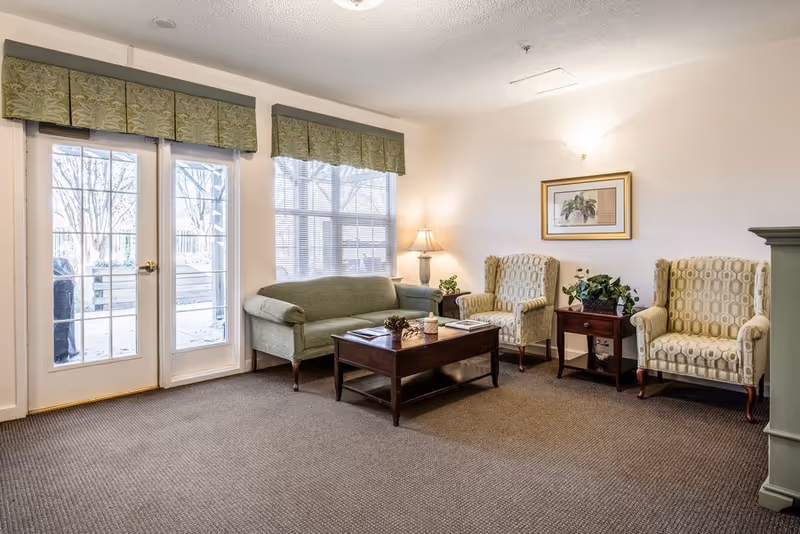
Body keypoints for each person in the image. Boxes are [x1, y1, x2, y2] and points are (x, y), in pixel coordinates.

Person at [53, 258, 78, 364]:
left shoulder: (62, 264)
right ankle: (61, 353)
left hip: (62, 284)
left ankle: (62, 353)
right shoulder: (61, 264)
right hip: (62, 283)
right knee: (61, 320)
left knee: (63, 319)